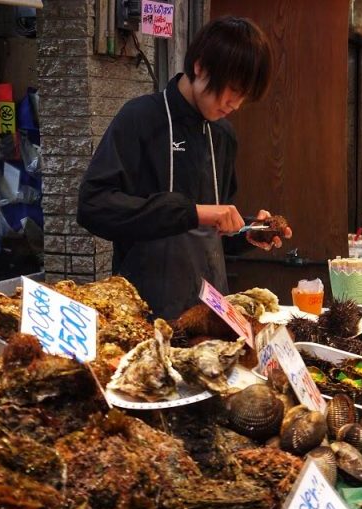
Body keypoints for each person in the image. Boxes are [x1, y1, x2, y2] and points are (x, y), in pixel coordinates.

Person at [77, 16, 290, 320]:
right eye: (232, 89)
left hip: (210, 318)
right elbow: (92, 206)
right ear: (200, 66)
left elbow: (210, 235)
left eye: (245, 96)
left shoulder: (223, 135)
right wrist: (194, 212)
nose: (236, 104)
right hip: (146, 315)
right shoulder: (140, 118)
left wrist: (247, 230)